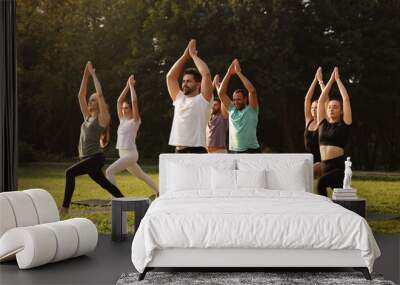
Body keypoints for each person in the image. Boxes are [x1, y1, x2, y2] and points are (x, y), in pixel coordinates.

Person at [60, 62, 123, 214]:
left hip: (95, 157)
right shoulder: (87, 117)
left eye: (93, 99)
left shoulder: (102, 118)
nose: (90, 100)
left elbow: (100, 94)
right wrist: (86, 74)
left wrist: (93, 74)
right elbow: (80, 95)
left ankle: (64, 208)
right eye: (91, 99)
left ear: (100, 103)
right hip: (85, 158)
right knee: (105, 184)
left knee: (69, 173)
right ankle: (125, 201)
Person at [105, 75, 159, 197]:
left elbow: (134, 101)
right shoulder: (122, 120)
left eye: (127, 108)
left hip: (131, 154)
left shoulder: (135, 121)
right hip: (123, 154)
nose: (124, 110)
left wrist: (131, 87)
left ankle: (117, 198)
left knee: (109, 171)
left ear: (131, 109)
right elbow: (119, 101)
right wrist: (126, 86)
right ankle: (158, 191)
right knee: (142, 176)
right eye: (123, 108)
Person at [166, 39, 213, 153]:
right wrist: (184, 56)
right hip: (179, 150)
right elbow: (170, 77)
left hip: (197, 150)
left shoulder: (203, 99)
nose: (184, 84)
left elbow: (206, 74)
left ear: (198, 84)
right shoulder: (179, 98)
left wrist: (193, 56)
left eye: (189, 81)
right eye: (183, 81)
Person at [316, 67, 352, 196]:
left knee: (320, 183)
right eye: (330, 107)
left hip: (338, 167)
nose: (331, 109)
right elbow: (321, 100)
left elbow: (346, 99)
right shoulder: (322, 123)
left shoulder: (344, 124)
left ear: (341, 111)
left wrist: (337, 80)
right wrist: (329, 81)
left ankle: (325, 212)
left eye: (335, 107)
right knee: (341, 198)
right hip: (325, 166)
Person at [218, 59, 260, 153]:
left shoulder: (252, 109)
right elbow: (221, 93)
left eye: (239, 99)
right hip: (235, 151)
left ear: (245, 99)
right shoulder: (232, 109)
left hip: (252, 150)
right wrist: (229, 73)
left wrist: (239, 73)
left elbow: (252, 91)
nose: (236, 102)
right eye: (234, 100)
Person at [304, 67, 325, 176]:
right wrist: (315, 79)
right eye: (312, 108)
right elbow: (307, 99)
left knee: (307, 173)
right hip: (309, 160)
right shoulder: (308, 121)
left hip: (322, 161)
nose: (313, 110)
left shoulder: (323, 121)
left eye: (317, 107)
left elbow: (325, 98)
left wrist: (321, 82)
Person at [206, 74, 228, 153]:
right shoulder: (208, 117)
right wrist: (213, 83)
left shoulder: (223, 116)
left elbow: (223, 99)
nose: (213, 106)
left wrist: (217, 86)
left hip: (220, 152)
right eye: (212, 105)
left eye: (215, 105)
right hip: (208, 154)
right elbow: (206, 97)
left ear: (220, 106)